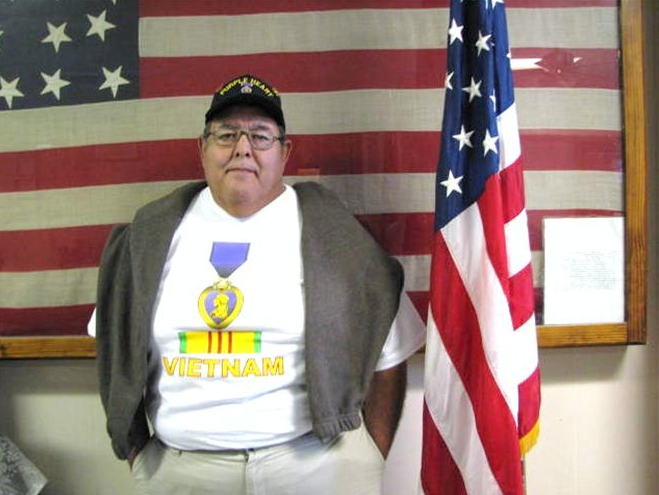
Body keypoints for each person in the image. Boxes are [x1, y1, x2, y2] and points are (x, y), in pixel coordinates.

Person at [91, 74, 425, 495]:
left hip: (314, 466)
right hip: (183, 473)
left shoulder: (339, 238)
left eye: (261, 136)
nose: (243, 148)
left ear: (285, 152)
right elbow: (113, 345)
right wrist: (138, 451)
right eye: (226, 134)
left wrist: (370, 455)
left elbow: (389, 355)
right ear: (202, 148)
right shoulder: (148, 236)